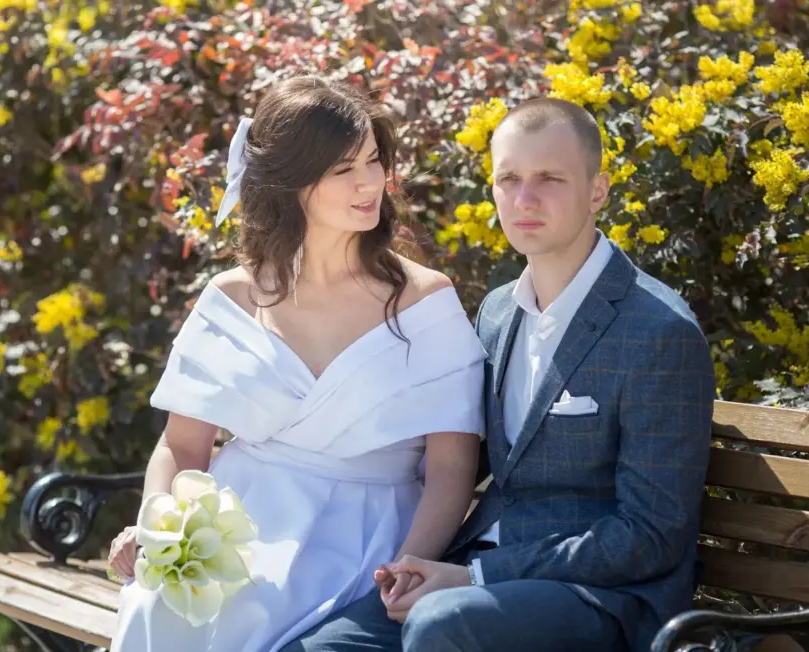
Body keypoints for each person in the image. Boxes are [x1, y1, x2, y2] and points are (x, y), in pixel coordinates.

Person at [283, 97, 716, 652]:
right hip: (474, 574)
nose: (524, 199)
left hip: (602, 599)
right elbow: (460, 460)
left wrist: (476, 577)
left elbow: (653, 534)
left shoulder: (656, 331)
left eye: (549, 179)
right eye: (508, 178)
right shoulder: (496, 313)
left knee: (442, 624)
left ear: (598, 191)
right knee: (317, 648)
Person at [106, 75, 486, 652]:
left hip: (363, 533)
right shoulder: (232, 297)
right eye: (342, 170)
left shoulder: (425, 302)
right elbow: (182, 447)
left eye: (374, 161)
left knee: (257, 612)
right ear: (291, 183)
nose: (369, 183)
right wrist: (156, 528)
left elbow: (452, 468)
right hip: (230, 523)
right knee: (156, 606)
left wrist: (411, 565)